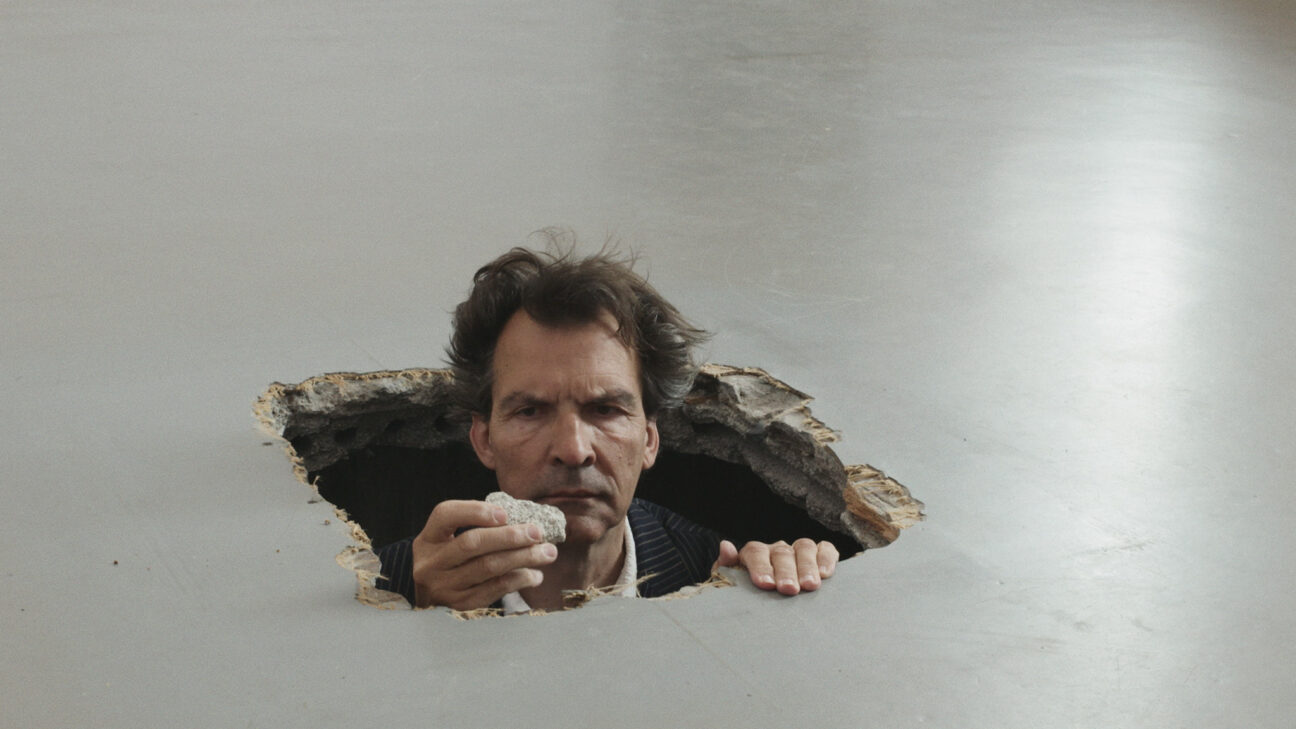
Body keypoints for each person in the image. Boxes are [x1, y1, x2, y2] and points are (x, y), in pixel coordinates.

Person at [375, 243, 839, 612]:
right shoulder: (396, 582)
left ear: (650, 440)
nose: (574, 450)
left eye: (606, 410)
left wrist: (783, 587)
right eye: (530, 411)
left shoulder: (707, 569)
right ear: (483, 439)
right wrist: (420, 624)